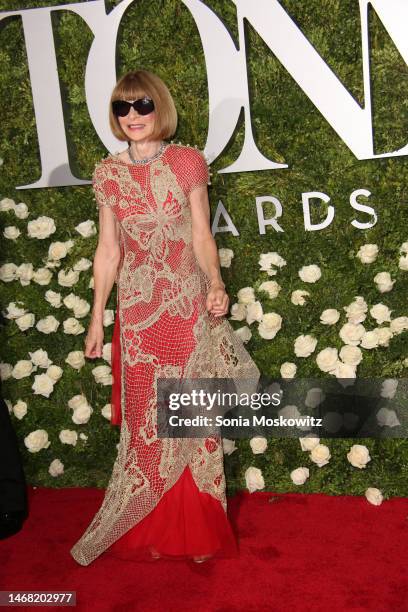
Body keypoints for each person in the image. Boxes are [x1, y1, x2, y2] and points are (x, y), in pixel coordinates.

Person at [70, 69, 260, 566]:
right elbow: (107, 251)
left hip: (185, 308)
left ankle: (196, 528)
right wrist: (97, 319)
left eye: (142, 106)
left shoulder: (187, 162)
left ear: (160, 109)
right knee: (148, 423)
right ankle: (153, 522)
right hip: (137, 317)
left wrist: (216, 285)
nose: (132, 117)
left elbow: (201, 235)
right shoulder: (108, 174)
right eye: (122, 108)